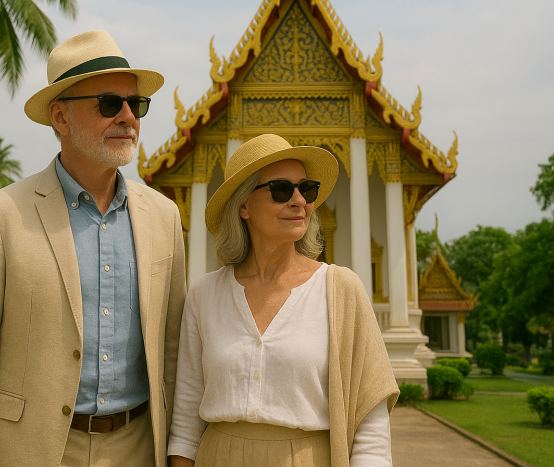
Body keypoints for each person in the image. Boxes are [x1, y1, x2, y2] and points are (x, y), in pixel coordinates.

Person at [0, 30, 187, 467]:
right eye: (109, 104)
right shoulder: (0, 216)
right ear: (60, 116)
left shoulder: (163, 217)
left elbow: (173, 352)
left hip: (138, 447)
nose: (128, 117)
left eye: (136, 104)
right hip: (35, 451)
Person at [168, 134, 399, 467]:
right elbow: (186, 419)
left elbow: (371, 424)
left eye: (307, 189)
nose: (299, 201)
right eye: (281, 190)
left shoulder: (340, 290)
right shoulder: (205, 295)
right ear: (243, 206)